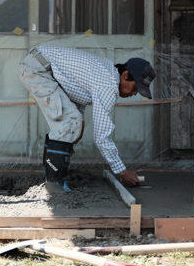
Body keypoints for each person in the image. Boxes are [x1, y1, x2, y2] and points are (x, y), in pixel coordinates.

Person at [19, 45, 156, 193]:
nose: (135, 93)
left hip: (39, 65)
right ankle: (55, 184)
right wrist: (122, 171)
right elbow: (101, 137)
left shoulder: (107, 71)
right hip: (39, 70)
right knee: (69, 122)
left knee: (73, 123)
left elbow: (76, 90)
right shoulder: (109, 85)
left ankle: (51, 177)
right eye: (135, 87)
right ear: (125, 75)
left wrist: (80, 124)